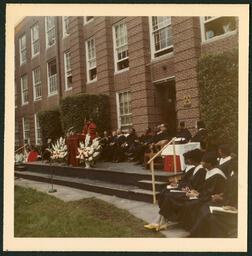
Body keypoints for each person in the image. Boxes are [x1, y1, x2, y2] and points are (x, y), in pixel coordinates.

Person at [144, 149, 206, 231]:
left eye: (189, 159)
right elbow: (189, 182)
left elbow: (197, 186)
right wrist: (184, 187)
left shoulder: (201, 170)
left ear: (192, 159)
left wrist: (188, 189)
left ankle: (160, 221)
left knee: (170, 196)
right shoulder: (196, 168)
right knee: (168, 194)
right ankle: (160, 221)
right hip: (188, 191)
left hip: (194, 195)